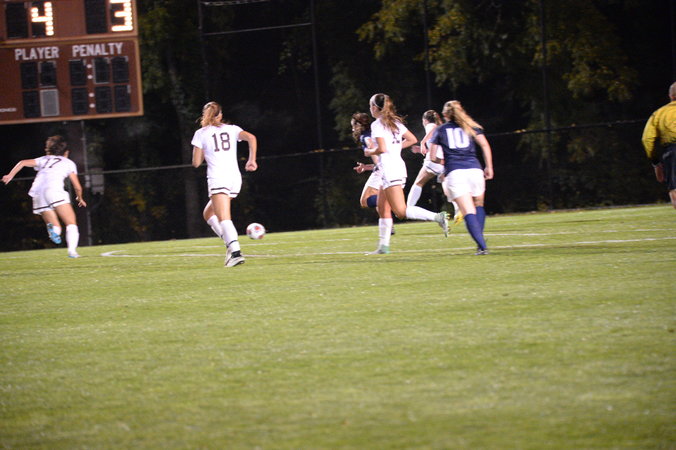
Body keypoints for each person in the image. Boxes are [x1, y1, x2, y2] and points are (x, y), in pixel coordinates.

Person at [366, 93, 449, 254]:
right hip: (392, 168)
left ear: (375, 107)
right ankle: (383, 247)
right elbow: (412, 139)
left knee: (401, 212)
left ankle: (438, 217)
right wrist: (394, 148)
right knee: (382, 207)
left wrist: (370, 151)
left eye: (370, 106)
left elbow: (381, 148)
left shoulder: (377, 124)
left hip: (390, 170)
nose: (370, 109)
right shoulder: (395, 122)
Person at [192, 101, 258, 267]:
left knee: (224, 218)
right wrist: (251, 160)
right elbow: (251, 138)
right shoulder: (233, 129)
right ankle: (229, 243)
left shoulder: (201, 133)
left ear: (205, 115)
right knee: (208, 214)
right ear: (220, 115)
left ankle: (235, 253)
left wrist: (203, 149)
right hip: (234, 179)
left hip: (218, 178)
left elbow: (196, 163)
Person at [2, 135, 87, 258]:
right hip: (54, 190)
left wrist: (10, 175)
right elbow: (77, 186)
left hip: (37, 192)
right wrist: (79, 198)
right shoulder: (68, 163)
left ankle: (54, 231)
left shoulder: (44, 159)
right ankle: (72, 252)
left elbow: (22, 162)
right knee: (71, 223)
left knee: (56, 227)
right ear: (66, 152)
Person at [429, 100, 493, 255]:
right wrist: (489, 166)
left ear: (445, 114)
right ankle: (480, 244)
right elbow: (485, 145)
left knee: (468, 210)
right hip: (475, 170)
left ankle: (482, 246)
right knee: (478, 205)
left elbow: (432, 156)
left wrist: (444, 162)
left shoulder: (440, 129)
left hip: (455, 173)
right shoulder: (470, 126)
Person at [407, 110, 463, 227]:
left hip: (434, 161)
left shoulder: (431, 126)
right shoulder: (441, 127)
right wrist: (421, 149)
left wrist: (422, 142)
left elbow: (433, 129)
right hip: (444, 161)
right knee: (445, 185)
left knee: (418, 183)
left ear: (425, 120)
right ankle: (458, 207)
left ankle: (409, 207)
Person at [641, 81, 676, 208]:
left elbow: (647, 139)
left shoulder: (659, 114)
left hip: (673, 153)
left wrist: (656, 163)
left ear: (670, 96)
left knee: (674, 190)